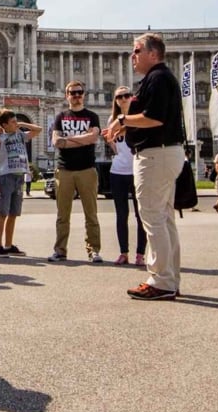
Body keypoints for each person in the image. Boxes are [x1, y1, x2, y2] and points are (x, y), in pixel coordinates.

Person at [104, 33, 185, 301]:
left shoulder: (158, 78)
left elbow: (154, 118)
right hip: (163, 153)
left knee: (152, 217)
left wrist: (123, 121)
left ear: (153, 53)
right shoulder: (159, 78)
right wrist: (126, 124)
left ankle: (160, 281)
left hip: (155, 156)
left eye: (137, 50)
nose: (132, 55)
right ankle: (170, 278)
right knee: (164, 218)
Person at [49, 80, 103, 263]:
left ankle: (94, 250)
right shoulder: (60, 116)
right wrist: (82, 138)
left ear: (84, 95)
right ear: (67, 96)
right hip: (64, 169)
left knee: (91, 214)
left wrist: (69, 139)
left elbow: (93, 138)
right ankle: (60, 250)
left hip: (87, 169)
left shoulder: (92, 116)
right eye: (73, 93)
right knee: (62, 215)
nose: (76, 96)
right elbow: (57, 142)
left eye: (79, 92)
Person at [0, 109, 40, 256]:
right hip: (6, 177)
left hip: (19, 177)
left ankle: (9, 244)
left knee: (13, 213)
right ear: (5, 125)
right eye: (13, 122)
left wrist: (22, 124)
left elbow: (38, 130)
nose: (16, 123)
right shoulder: (2, 137)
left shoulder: (20, 135)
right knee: (2, 213)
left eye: (16, 121)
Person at [107, 88, 147, 264]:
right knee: (121, 214)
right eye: (119, 96)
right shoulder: (111, 120)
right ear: (115, 100)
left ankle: (140, 254)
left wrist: (124, 129)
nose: (123, 99)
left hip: (137, 170)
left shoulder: (139, 117)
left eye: (126, 95)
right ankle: (123, 252)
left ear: (132, 98)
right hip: (118, 171)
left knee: (141, 214)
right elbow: (113, 144)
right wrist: (110, 142)